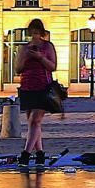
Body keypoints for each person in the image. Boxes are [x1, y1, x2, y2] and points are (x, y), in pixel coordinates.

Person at [15, 16, 61, 163]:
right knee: (32, 122)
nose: (35, 36)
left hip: (43, 87)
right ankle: (40, 153)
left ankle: (26, 154)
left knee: (35, 121)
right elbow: (18, 69)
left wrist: (40, 57)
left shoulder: (48, 47)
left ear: (41, 33)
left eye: (37, 33)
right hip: (27, 86)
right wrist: (26, 57)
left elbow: (53, 67)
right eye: (32, 33)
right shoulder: (24, 48)